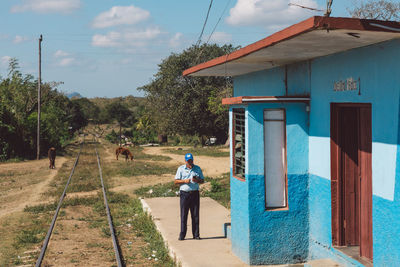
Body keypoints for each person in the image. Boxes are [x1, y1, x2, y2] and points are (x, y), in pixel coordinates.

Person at [174, 153, 204, 240]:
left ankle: (196, 234)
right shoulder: (181, 169)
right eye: (188, 161)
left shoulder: (197, 169)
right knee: (184, 214)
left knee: (195, 215)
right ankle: (182, 235)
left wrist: (197, 180)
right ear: (185, 161)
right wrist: (184, 181)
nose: (190, 162)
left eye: (191, 160)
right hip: (184, 194)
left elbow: (202, 180)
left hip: (194, 193)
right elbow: (176, 181)